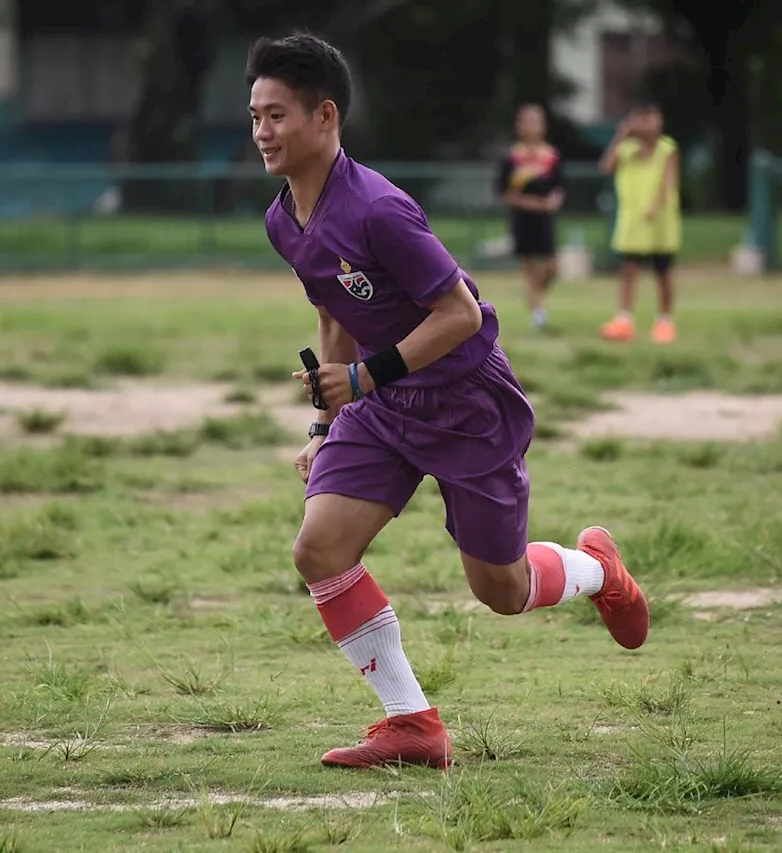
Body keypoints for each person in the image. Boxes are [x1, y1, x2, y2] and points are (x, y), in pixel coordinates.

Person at [248, 32, 650, 770]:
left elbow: (461, 313)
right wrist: (324, 420)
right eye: (255, 116)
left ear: (324, 116)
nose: (262, 132)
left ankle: (598, 569)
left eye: (277, 115)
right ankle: (413, 724)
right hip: (384, 404)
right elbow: (336, 315)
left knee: (500, 588)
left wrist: (364, 378)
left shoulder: (379, 209)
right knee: (319, 547)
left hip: (466, 401)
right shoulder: (283, 219)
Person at [598, 101, 681, 343]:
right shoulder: (626, 149)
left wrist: (656, 206)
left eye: (650, 118)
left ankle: (665, 321)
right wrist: (620, 136)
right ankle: (624, 319)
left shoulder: (667, 149)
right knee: (629, 270)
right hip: (633, 222)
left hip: (660, 223)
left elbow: (668, 181)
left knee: (663, 272)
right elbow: (606, 166)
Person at [497, 104, 566, 330]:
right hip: (522, 219)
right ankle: (538, 313)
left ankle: (535, 296)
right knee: (528, 267)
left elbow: (559, 186)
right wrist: (530, 204)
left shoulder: (552, 157)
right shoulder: (511, 158)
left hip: (545, 220)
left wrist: (554, 201)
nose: (532, 126)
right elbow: (505, 193)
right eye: (527, 121)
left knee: (551, 268)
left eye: (536, 121)